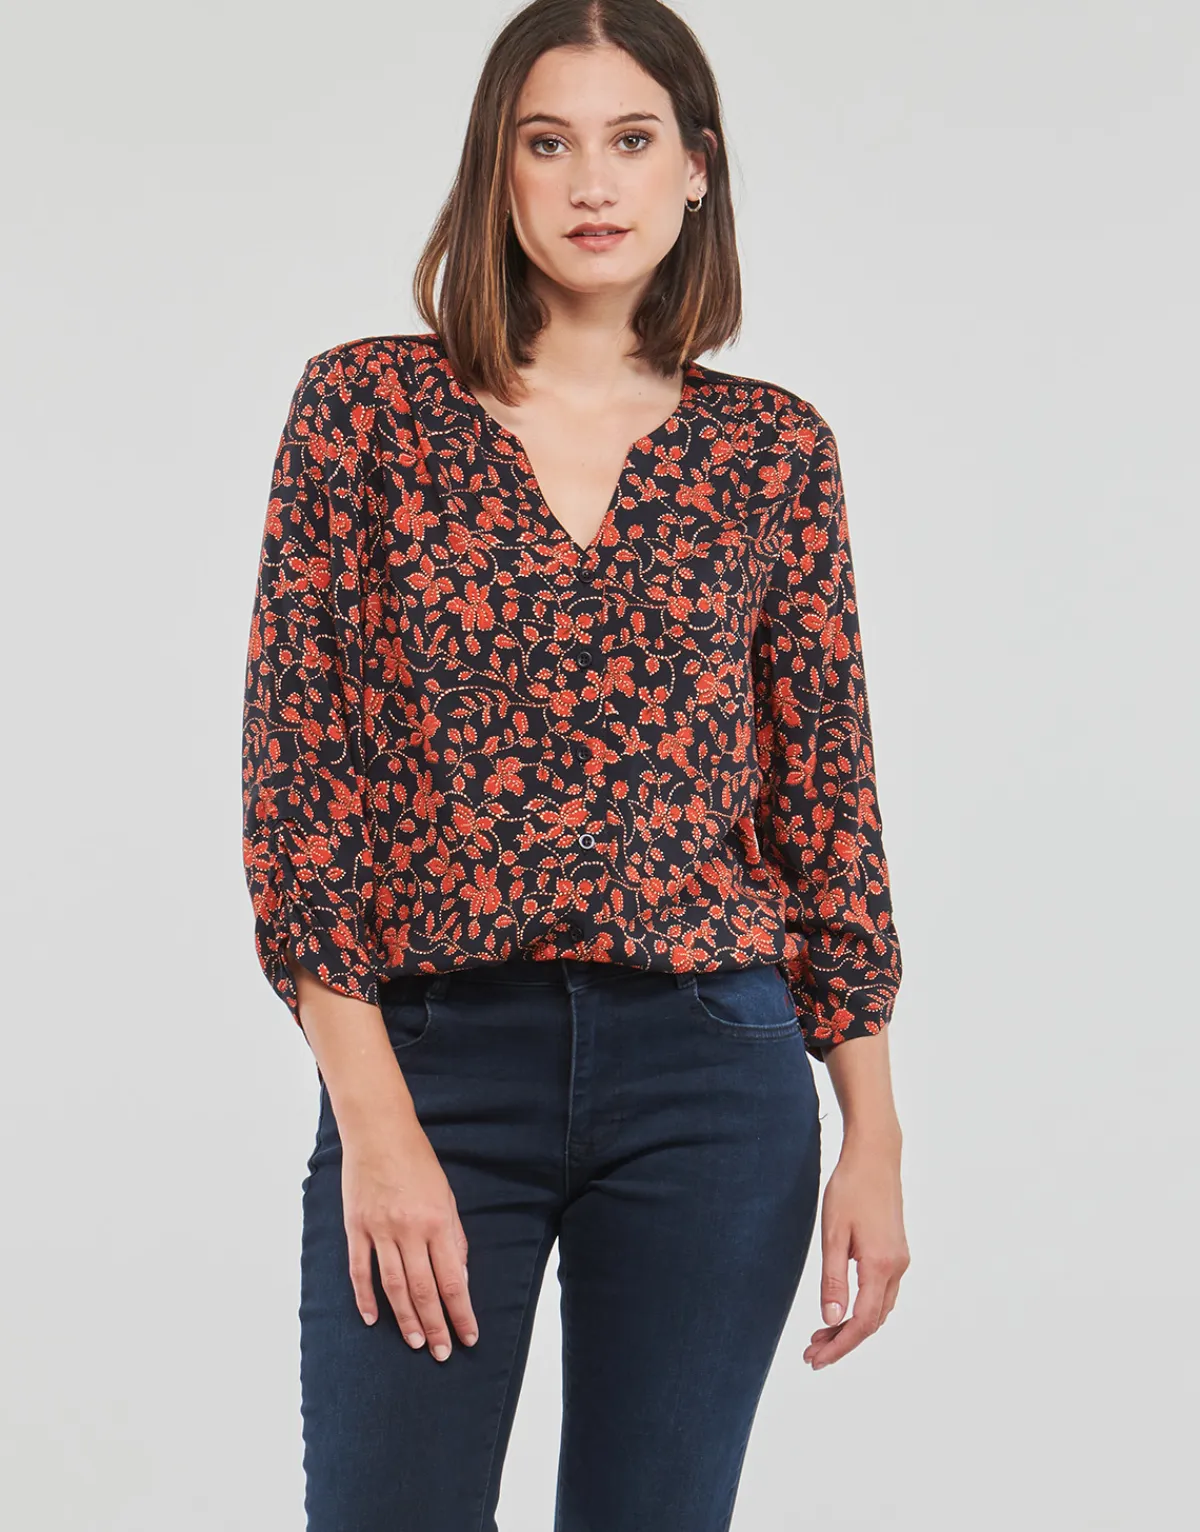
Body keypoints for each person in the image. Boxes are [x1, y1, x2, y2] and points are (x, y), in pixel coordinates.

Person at [241, 2, 909, 1527]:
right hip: (432, 1061)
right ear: (498, 168)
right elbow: (298, 779)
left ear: (696, 169)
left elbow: (826, 798)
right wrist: (376, 1124)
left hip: (713, 1072)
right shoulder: (366, 413)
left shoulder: (772, 451)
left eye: (631, 140)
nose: (592, 182)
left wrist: (872, 1131)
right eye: (548, 143)